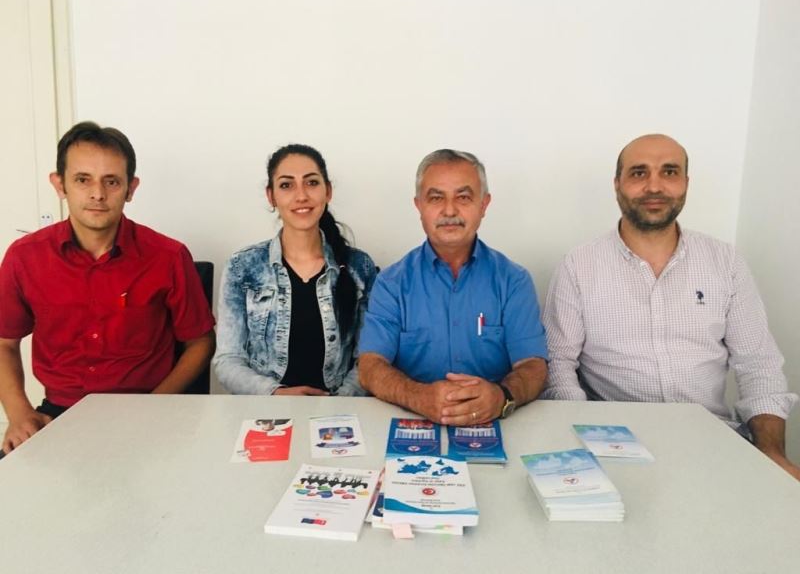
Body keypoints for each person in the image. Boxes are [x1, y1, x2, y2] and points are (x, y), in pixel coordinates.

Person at [542, 133, 800, 480]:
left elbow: (759, 365)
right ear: (617, 184)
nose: (654, 186)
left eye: (669, 172)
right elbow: (558, 364)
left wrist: (771, 454)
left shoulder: (725, 262)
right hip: (614, 444)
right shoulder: (579, 266)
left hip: (712, 440)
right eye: (639, 173)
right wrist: (583, 439)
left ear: (685, 183)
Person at [0, 121, 216, 454]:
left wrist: (155, 407)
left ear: (131, 188)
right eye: (82, 179)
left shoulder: (168, 257)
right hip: (59, 415)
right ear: (59, 184)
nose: (98, 194)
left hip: (147, 412)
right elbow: (4, 343)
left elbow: (200, 342)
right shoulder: (24, 257)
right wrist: (19, 415)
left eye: (111, 181)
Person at [358, 149, 548, 425]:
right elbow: (369, 366)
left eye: (463, 197)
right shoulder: (391, 283)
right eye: (436, 198)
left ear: (484, 204)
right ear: (419, 206)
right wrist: (418, 397)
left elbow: (533, 366)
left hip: (498, 424)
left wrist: (501, 396)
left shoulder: (513, 281)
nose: (449, 211)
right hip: (411, 422)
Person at [213, 144, 376, 396]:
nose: (301, 196)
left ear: (328, 191)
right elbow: (228, 360)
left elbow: (368, 359)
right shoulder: (243, 267)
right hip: (266, 411)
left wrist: (337, 402)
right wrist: (276, 393)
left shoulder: (359, 266)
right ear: (271, 196)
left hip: (339, 411)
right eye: (286, 185)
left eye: (311, 183)